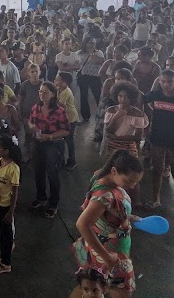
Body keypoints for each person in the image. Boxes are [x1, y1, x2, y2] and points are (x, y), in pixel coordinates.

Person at [73, 150, 143, 298]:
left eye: (136, 182)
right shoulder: (105, 195)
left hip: (102, 247)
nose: (132, 186)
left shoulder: (102, 176)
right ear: (114, 171)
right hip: (109, 252)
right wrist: (107, 257)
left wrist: (128, 217)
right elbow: (82, 224)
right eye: (129, 181)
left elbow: (106, 214)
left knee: (92, 287)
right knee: (123, 291)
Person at [28, 81, 71, 219]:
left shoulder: (59, 111)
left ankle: (53, 203)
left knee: (52, 172)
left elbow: (66, 130)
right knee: (38, 170)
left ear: (53, 94)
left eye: (45, 92)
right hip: (38, 142)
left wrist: (50, 136)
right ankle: (41, 197)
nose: (42, 94)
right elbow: (30, 121)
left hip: (53, 144)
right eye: (40, 91)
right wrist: (31, 126)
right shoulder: (36, 107)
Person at [0, 134, 21, 274]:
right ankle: (3, 252)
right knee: (2, 232)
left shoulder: (13, 168)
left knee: (7, 235)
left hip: (6, 205)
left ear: (6, 150)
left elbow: (15, 192)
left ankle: (6, 264)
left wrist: (11, 212)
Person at [143, 68, 174, 209]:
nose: (167, 84)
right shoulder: (155, 94)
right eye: (163, 81)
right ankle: (156, 199)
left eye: (170, 81)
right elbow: (141, 100)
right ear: (159, 81)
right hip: (157, 137)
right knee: (157, 169)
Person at [54, 72, 80, 170]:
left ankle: (72, 161)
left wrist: (51, 99)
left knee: (69, 140)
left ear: (64, 83)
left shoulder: (66, 91)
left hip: (70, 118)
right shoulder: (59, 89)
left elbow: (62, 105)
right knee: (62, 139)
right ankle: (62, 160)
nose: (55, 80)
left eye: (57, 79)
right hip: (64, 118)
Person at [76, 37, 105, 122]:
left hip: (95, 77)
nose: (92, 44)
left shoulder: (99, 52)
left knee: (98, 95)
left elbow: (100, 62)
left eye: (93, 43)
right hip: (83, 76)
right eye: (90, 42)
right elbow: (77, 64)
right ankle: (85, 116)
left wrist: (92, 54)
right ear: (85, 43)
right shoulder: (79, 53)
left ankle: (101, 114)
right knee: (83, 96)